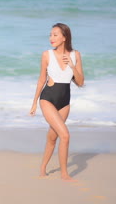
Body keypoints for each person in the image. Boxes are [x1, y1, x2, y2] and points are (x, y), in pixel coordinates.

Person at [29, 23, 84, 182]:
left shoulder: (76, 55)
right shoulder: (47, 55)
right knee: (65, 135)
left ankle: (42, 168)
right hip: (48, 99)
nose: (51, 38)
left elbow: (80, 82)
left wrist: (73, 66)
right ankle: (64, 174)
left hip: (65, 101)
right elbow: (41, 80)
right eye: (50, 35)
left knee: (53, 137)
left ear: (64, 37)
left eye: (55, 35)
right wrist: (34, 103)